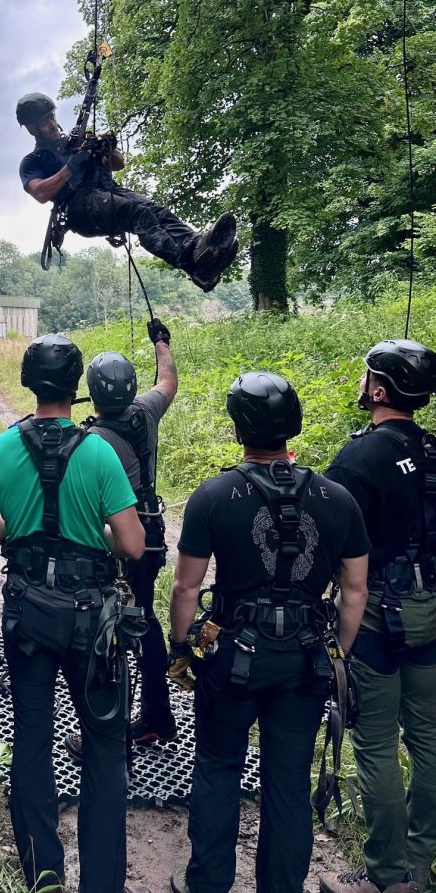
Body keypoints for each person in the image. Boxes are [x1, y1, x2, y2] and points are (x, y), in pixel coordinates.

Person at [168, 371, 369, 893]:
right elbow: (354, 592)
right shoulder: (338, 500)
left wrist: (182, 645)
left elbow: (186, 588)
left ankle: (208, 882)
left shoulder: (213, 496)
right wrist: (336, 657)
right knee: (287, 782)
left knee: (217, 768)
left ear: (239, 430)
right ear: (292, 428)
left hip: (232, 654)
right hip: (304, 662)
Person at [0, 333, 148, 893]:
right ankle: (102, 881)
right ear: (77, 390)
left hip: (27, 614)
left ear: (28, 382)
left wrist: (19, 533)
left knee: (31, 738)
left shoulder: (0, 449)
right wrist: (92, 535)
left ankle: (43, 867)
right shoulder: (99, 452)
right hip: (90, 622)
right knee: (102, 748)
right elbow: (134, 544)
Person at [321, 340, 436, 893]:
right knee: (430, 739)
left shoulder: (358, 458)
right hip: (433, 611)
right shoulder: (435, 451)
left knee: (375, 744)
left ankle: (386, 876)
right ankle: (420, 863)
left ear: (380, 390)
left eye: (369, 376)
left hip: (376, 617)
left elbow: (330, 543)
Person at [66, 318, 179, 761]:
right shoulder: (147, 411)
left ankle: (108, 729)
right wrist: (161, 343)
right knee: (145, 618)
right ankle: (155, 715)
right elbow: (168, 379)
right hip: (149, 531)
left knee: (106, 624)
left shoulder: (90, 441)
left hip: (116, 538)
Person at [16, 92, 238, 292]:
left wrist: (105, 147)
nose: (52, 124)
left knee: (156, 211)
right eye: (45, 122)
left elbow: (117, 164)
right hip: (79, 208)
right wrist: (71, 166)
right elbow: (41, 193)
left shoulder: (76, 142)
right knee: (138, 214)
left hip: (108, 191)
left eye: (52, 117)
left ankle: (197, 247)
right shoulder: (32, 161)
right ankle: (193, 266)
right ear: (31, 128)